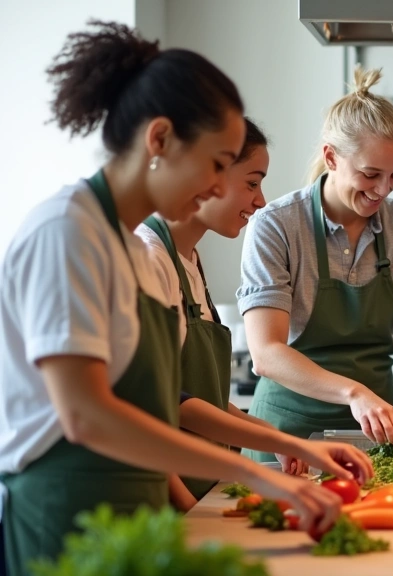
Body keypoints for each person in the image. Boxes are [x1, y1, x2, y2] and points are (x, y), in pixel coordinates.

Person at [0, 22, 358, 574]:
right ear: (160, 139)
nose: (220, 187)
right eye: (218, 163)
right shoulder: (66, 232)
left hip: (139, 517)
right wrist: (259, 474)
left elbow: (163, 407)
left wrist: (295, 448)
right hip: (67, 514)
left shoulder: (137, 256)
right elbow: (86, 414)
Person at [238, 66, 393, 455]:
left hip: (380, 437)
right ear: (331, 156)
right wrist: (353, 392)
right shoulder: (276, 225)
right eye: (370, 173)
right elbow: (267, 353)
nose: (382, 190)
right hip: (288, 437)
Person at [136, 118, 328, 508]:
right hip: (165, 501)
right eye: (252, 182)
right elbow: (152, 409)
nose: (260, 200)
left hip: (200, 489)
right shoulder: (149, 258)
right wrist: (187, 511)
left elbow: (201, 397)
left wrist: (282, 441)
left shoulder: (188, 258)